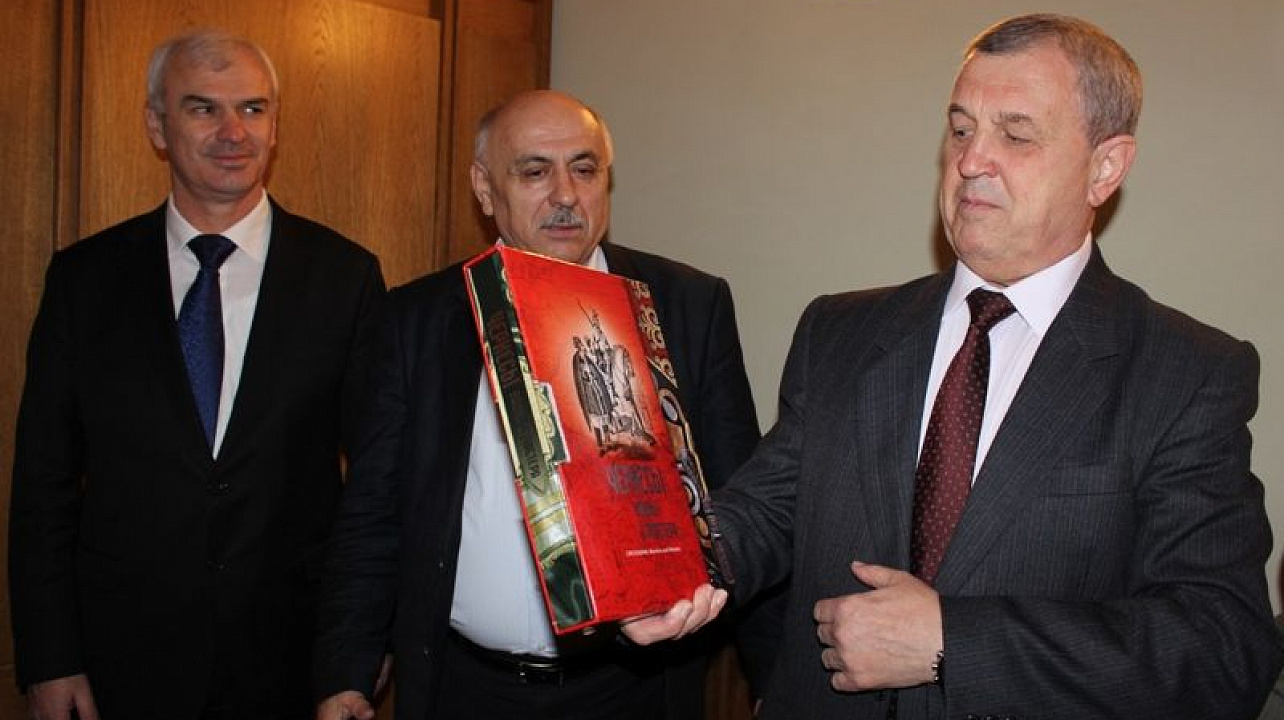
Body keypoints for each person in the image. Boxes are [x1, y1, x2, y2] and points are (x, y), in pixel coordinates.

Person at [622, 13, 1284, 720]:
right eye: (961, 129)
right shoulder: (840, 331)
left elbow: (1222, 646)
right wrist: (668, 565)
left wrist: (952, 643)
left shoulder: (1188, 374)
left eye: (1016, 134)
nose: (971, 160)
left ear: (1105, 167)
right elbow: (767, 509)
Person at [312, 89, 763, 720]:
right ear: (484, 187)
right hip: (465, 689)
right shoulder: (417, 318)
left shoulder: (687, 305)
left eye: (584, 169)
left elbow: (744, 503)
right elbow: (372, 509)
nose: (566, 195)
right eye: (534, 172)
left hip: (633, 689)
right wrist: (345, 671)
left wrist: (772, 679)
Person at [8, 30, 385, 720]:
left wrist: (358, 651)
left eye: (253, 108)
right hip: (122, 662)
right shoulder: (84, 281)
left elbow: (378, 486)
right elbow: (43, 482)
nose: (233, 132)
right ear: (157, 125)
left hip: (292, 662)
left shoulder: (345, 278)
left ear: (275, 127)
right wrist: (50, 657)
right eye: (202, 108)